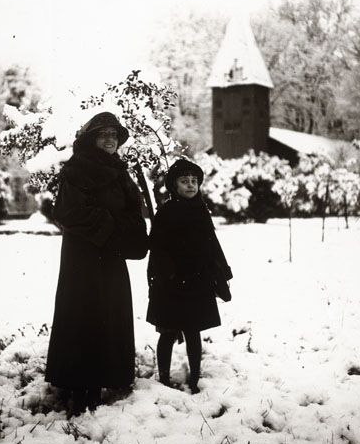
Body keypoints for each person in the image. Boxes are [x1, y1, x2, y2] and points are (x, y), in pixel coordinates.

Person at [45, 111, 148, 415]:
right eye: (103, 134)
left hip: (111, 259)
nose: (109, 140)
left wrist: (129, 231)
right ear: (91, 138)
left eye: (114, 135)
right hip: (84, 260)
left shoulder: (120, 171)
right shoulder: (77, 169)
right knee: (84, 316)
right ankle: (79, 387)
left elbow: (132, 212)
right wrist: (112, 227)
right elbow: (67, 211)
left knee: (110, 315)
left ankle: (106, 377)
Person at [146, 158, 232, 394]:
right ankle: (163, 377)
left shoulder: (201, 210)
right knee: (168, 331)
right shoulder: (166, 212)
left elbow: (211, 243)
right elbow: (158, 249)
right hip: (171, 283)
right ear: (174, 186)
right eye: (184, 181)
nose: (191, 185)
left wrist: (221, 273)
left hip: (198, 280)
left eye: (194, 181)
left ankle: (195, 377)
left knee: (194, 331)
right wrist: (166, 275)